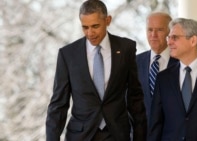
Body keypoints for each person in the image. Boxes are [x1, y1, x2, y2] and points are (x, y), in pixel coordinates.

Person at [45, 0, 147, 141]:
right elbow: (58, 104)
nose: (90, 33)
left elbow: (135, 98)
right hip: (80, 135)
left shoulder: (126, 48)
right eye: (85, 27)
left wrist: (139, 137)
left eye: (95, 26)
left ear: (108, 20)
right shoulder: (68, 55)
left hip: (117, 134)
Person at [136, 12, 178, 132]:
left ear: (170, 33)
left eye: (159, 30)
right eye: (150, 30)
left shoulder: (182, 63)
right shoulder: (133, 63)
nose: (153, 35)